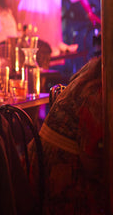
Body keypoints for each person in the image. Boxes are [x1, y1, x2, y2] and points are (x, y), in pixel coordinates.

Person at [31, 56, 105, 214]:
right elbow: (92, 162)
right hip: (55, 177)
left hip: (39, 163)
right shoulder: (97, 90)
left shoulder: (92, 72)